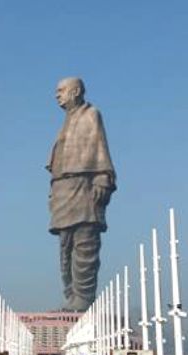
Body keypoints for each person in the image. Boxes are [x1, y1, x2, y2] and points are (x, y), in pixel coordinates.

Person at [47, 77, 117, 312]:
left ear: (75, 91)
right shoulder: (66, 121)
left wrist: (101, 177)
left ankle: (84, 299)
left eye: (61, 90)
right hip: (62, 189)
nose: (57, 95)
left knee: (85, 243)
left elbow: (99, 147)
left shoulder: (91, 114)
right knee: (65, 246)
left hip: (84, 186)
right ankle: (71, 298)